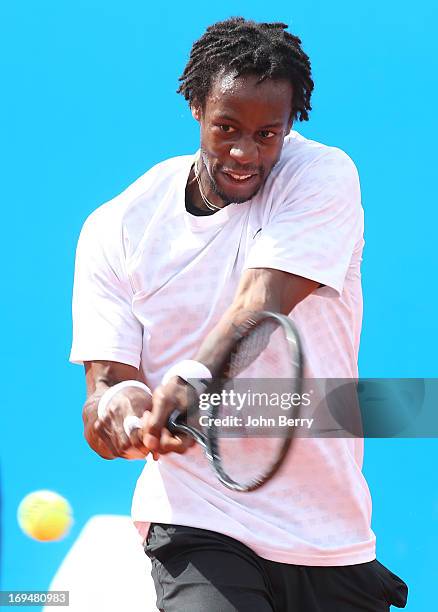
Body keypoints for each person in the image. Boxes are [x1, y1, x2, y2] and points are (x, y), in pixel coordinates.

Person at [70, 17, 408, 611]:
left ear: (290, 126)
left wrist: (194, 378)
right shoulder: (116, 227)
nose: (244, 153)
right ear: (196, 106)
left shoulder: (321, 175)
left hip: (331, 539)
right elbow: (104, 389)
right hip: (198, 521)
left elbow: (262, 301)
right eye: (226, 127)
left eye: (267, 134)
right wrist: (120, 408)